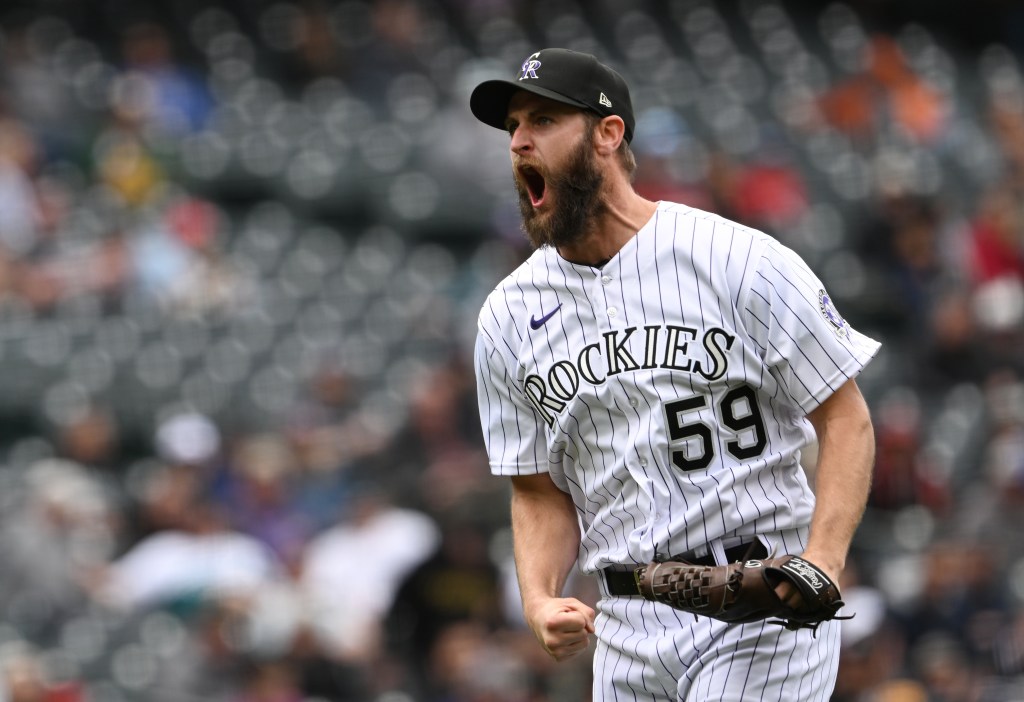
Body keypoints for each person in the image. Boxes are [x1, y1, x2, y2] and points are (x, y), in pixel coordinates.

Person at [469, 48, 880, 701]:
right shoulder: (507, 319)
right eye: (513, 126)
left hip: (761, 603)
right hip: (625, 625)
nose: (518, 141)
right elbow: (538, 490)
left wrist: (824, 560)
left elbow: (845, 415)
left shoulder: (735, 258)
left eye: (543, 119)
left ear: (608, 134)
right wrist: (540, 597)